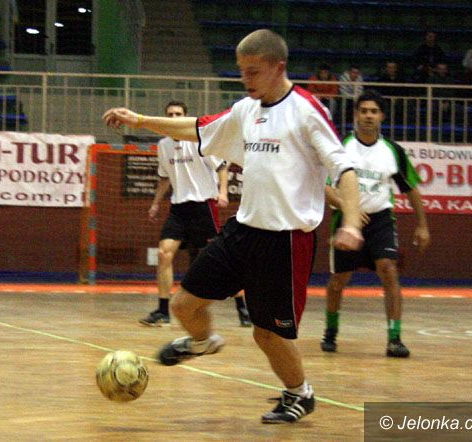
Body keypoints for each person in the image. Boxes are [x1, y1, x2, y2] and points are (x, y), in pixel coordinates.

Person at [103, 29, 364, 424]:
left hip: (286, 242)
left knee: (267, 334)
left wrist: (353, 222)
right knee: (183, 305)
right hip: (242, 232)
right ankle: (203, 341)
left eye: (253, 71)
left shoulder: (307, 111)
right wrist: (138, 120)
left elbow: (345, 169)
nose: (245, 79)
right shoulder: (246, 110)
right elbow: (196, 128)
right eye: (241, 71)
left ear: (278, 67)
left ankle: (300, 393)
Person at [320, 90, 430, 358]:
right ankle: (331, 332)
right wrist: (349, 208)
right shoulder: (341, 148)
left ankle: (395, 338)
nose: (368, 116)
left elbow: (411, 188)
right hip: (347, 220)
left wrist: (422, 225)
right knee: (339, 280)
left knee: (388, 269)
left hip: (380, 219)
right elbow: (326, 187)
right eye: (364, 111)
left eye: (373, 111)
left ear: (381, 116)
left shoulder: (392, 151)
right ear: (356, 115)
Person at [140, 100, 251, 328]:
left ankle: (242, 306)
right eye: (170, 114)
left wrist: (223, 192)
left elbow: (222, 166)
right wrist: (155, 203)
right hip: (179, 208)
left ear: (185, 116)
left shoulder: (199, 141)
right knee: (164, 254)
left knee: (220, 258)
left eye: (178, 114)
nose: (173, 118)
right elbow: (164, 177)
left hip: (203, 206)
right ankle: (163, 310)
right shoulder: (163, 145)